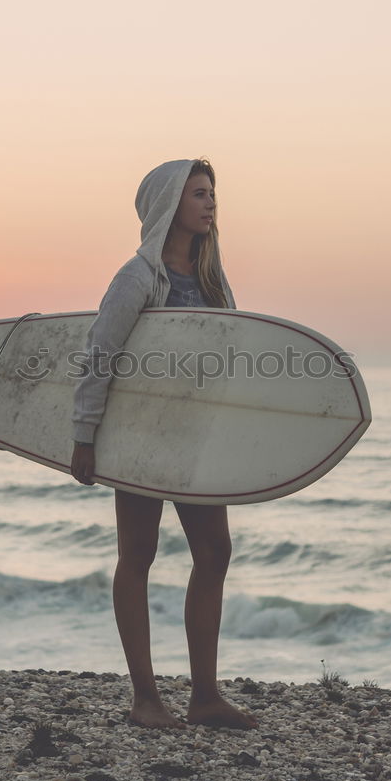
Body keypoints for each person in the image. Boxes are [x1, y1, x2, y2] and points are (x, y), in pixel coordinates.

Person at [70, 158, 257, 730]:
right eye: (199, 194)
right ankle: (145, 699)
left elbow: (223, 359)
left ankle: (204, 695)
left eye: (212, 195)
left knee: (215, 553)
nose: (210, 204)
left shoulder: (211, 279)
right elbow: (99, 355)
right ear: (169, 204)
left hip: (192, 439)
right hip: (138, 439)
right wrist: (85, 437)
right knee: (138, 555)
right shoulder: (137, 277)